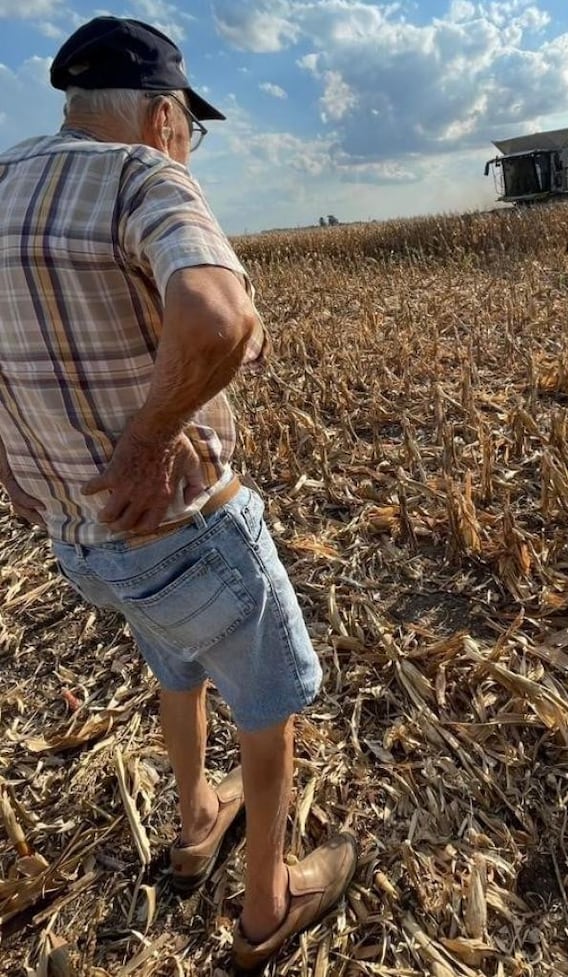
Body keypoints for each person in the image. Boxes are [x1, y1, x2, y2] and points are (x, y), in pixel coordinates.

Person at [0, 16, 356, 974]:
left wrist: (9, 463)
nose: (188, 141)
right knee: (269, 693)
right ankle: (270, 902)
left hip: (84, 547)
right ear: (162, 114)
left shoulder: (1, 181)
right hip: (185, 534)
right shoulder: (142, 175)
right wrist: (149, 441)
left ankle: (199, 819)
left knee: (175, 663)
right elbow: (221, 315)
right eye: (189, 123)